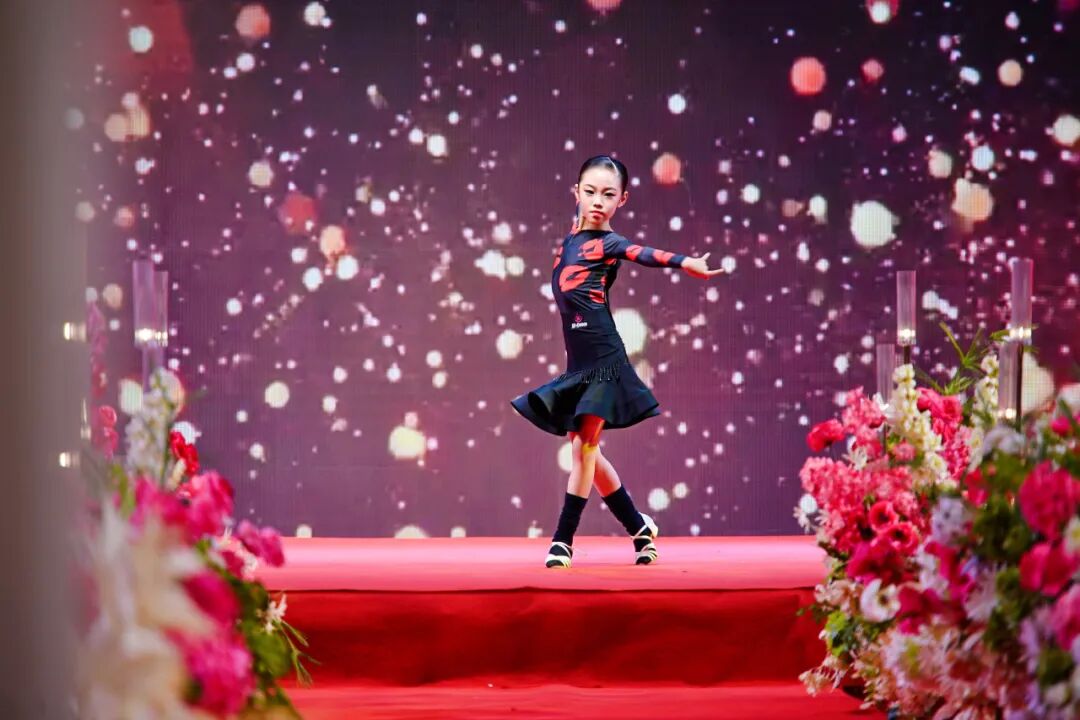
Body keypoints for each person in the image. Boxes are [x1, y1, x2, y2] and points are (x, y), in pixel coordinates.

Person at [510, 155, 726, 568]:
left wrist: (685, 262)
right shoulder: (570, 241)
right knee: (585, 450)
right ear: (576, 192)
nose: (598, 201)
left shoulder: (608, 243)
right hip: (579, 363)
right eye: (590, 192)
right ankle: (640, 528)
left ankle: (562, 541)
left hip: (605, 359)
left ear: (622, 199)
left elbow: (641, 252)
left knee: (584, 447)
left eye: (608, 195)